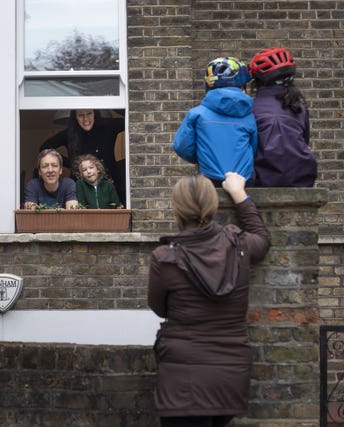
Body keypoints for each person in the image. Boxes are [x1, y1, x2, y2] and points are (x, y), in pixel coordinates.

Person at [147, 172, 270, 427]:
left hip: (182, 378)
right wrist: (238, 193)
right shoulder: (240, 245)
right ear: (213, 205)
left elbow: (158, 309)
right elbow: (263, 238)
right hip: (230, 372)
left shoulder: (165, 258)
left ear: (177, 209)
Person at [172, 57, 258, 187]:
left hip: (209, 181)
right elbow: (253, 147)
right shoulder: (249, 116)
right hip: (244, 181)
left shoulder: (197, 114)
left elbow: (181, 146)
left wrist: (202, 156)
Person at [249, 47, 318, 187]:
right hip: (302, 179)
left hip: (263, 181)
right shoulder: (298, 107)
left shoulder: (252, 109)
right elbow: (305, 140)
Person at [40, 109, 126, 201]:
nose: (86, 119)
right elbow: (45, 147)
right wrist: (69, 163)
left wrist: (111, 102)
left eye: (89, 113)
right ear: (75, 117)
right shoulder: (70, 133)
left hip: (110, 182)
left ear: (95, 114)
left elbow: (130, 118)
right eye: (81, 115)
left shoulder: (108, 126)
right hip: (80, 187)